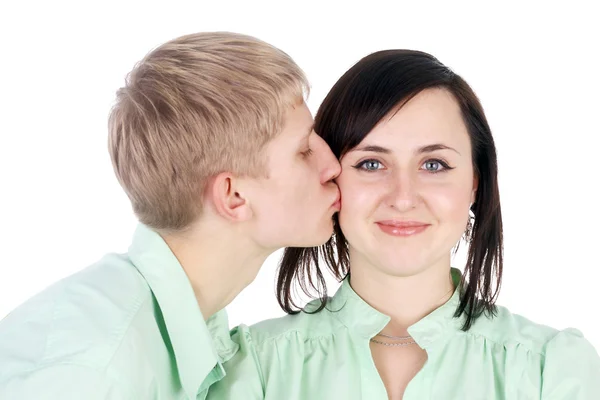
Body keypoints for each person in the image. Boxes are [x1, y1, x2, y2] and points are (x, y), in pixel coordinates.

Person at [207, 49, 600, 399]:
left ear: (474, 184)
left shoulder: (553, 371)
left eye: (434, 164)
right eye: (371, 163)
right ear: (329, 175)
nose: (403, 196)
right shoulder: (251, 369)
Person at [0, 32, 341, 399]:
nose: (333, 165)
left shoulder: (186, 329)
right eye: (305, 150)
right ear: (234, 195)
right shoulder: (94, 375)